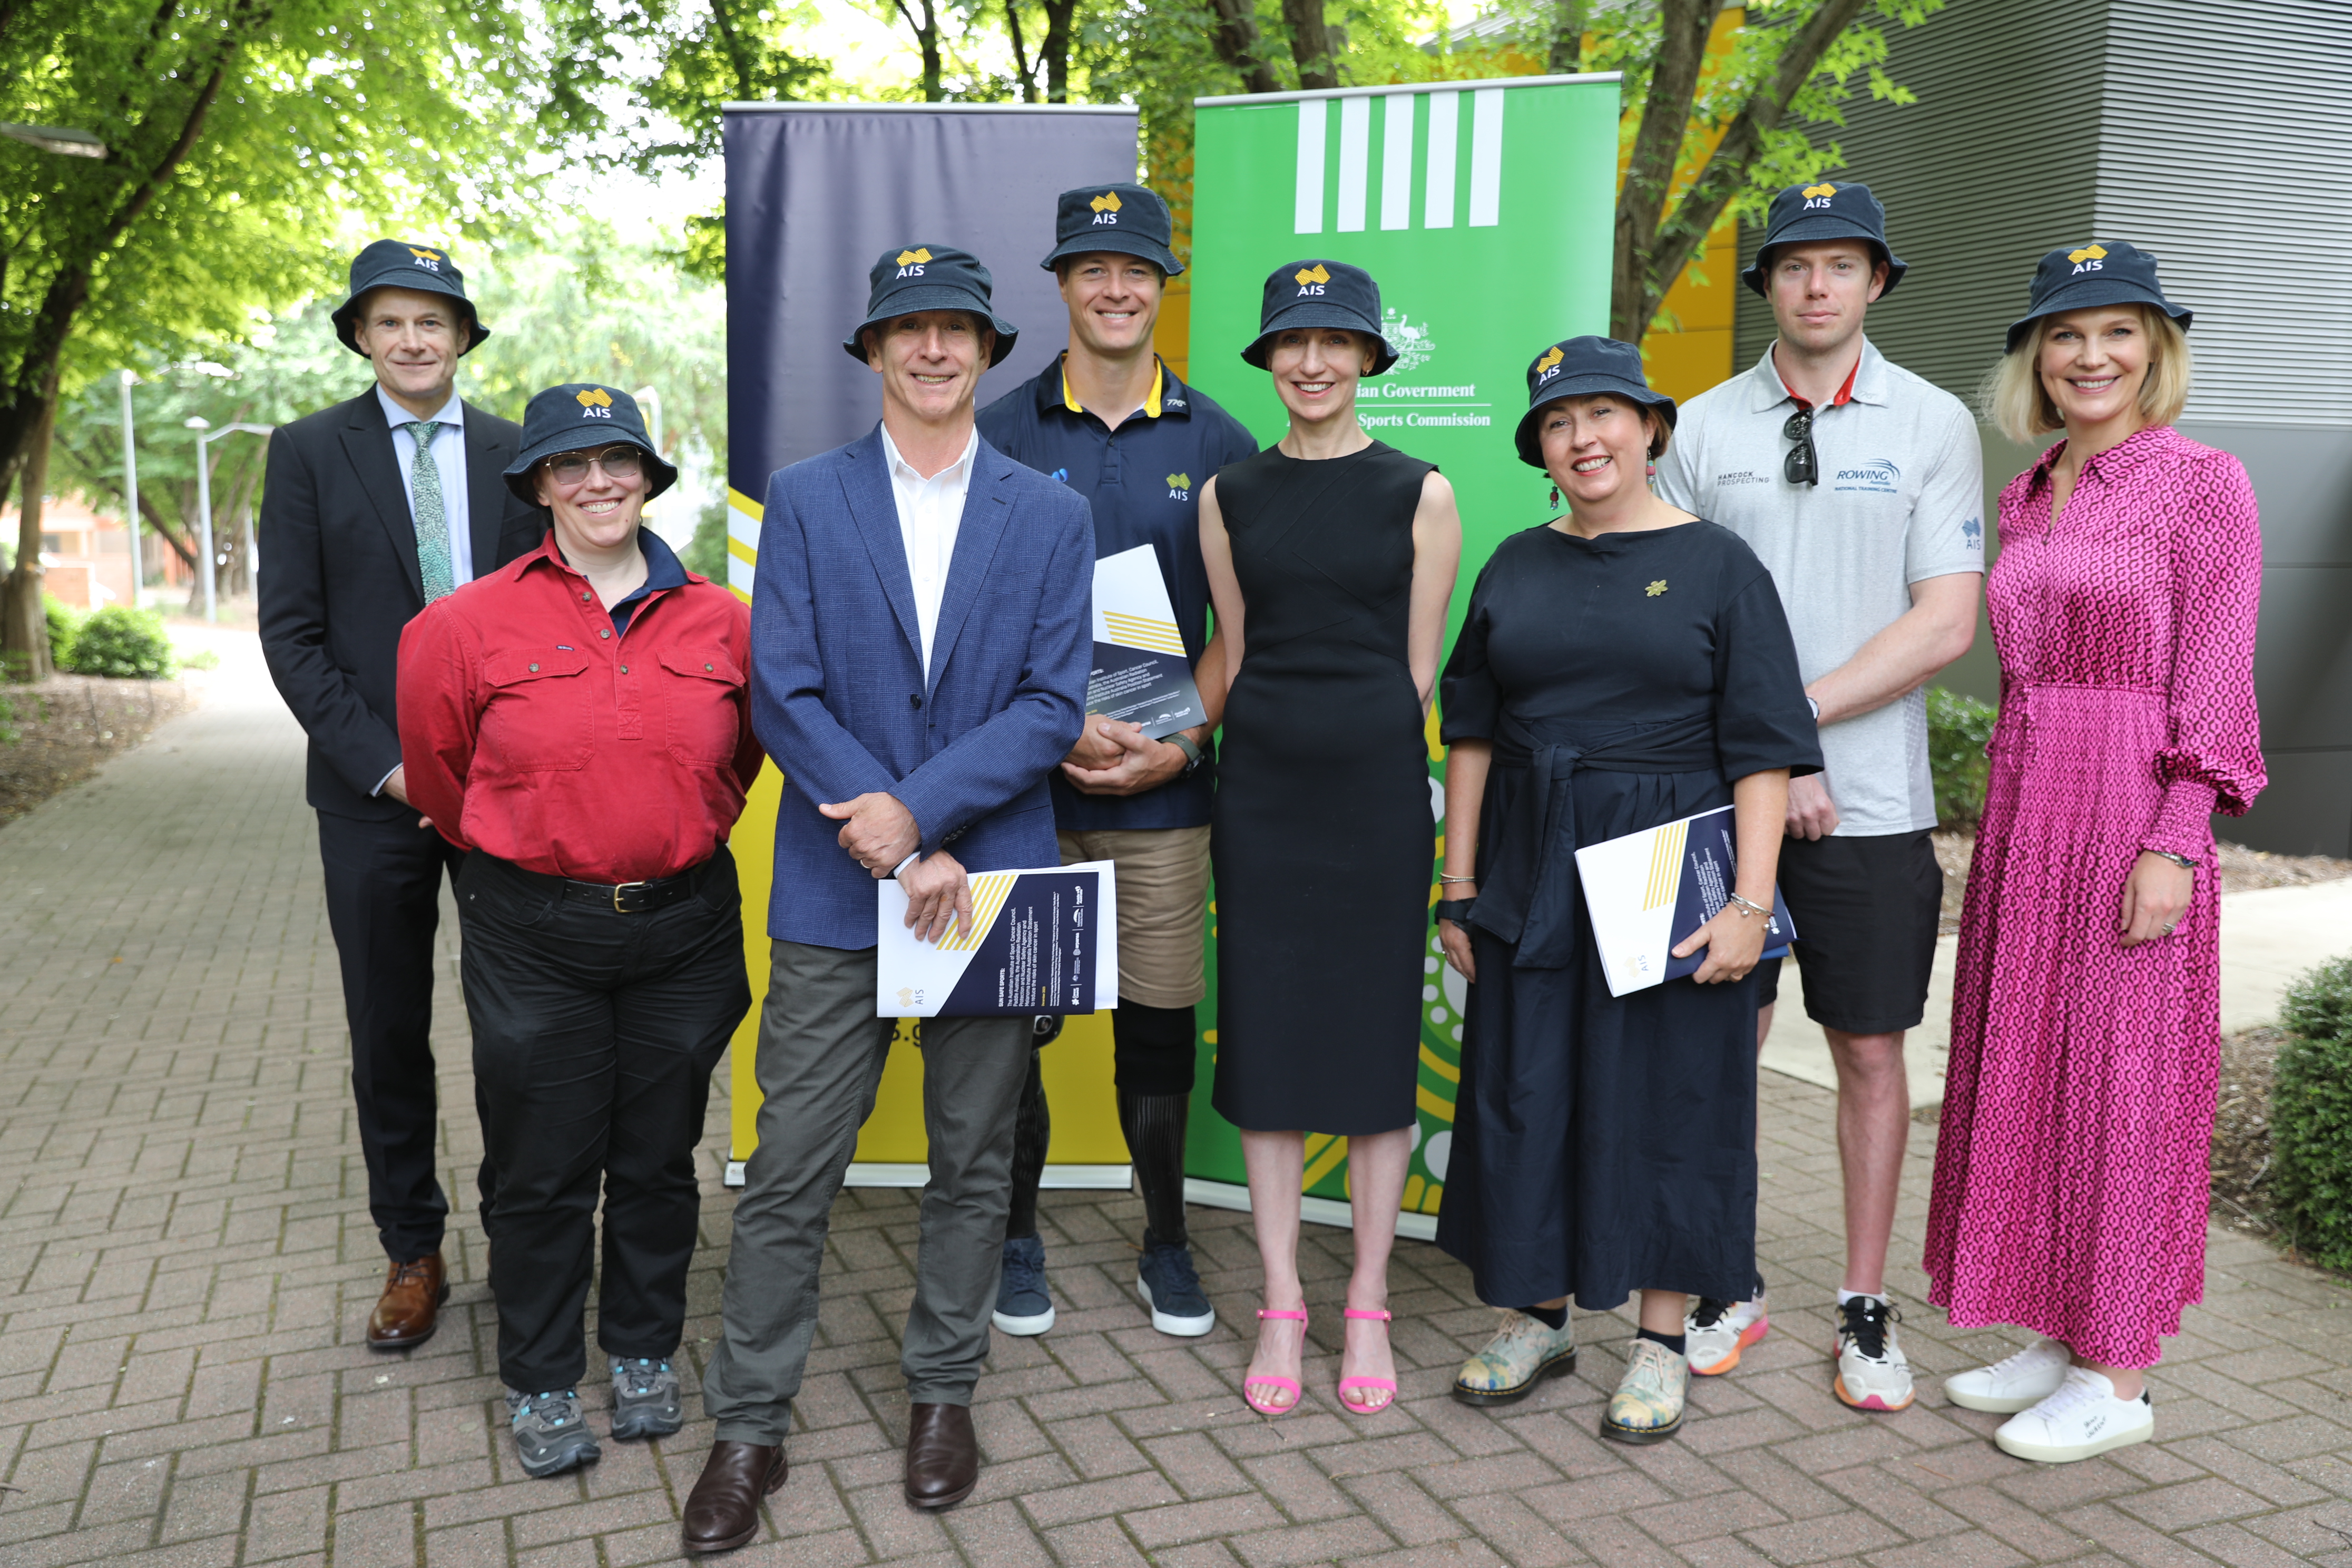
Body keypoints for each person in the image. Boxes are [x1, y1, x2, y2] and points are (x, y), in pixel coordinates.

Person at [683, 243, 1093, 1552]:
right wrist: (894, 833)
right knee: (790, 1166)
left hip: (991, 876)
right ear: (872, 352)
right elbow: (781, 690)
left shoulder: (1050, 512)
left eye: (955, 331)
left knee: (975, 1161)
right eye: (907, 330)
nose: (932, 350)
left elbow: (1052, 703)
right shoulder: (803, 500)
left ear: (986, 354)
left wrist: (925, 817)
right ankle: (750, 1425)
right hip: (832, 882)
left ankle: (943, 1393)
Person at [1433, 337, 1820, 1443]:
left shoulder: (1720, 566)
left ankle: (1658, 1342)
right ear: (1541, 449)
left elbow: (1761, 752)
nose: (1585, 439)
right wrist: (1459, 884)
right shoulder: (1512, 561)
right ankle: (1540, 1317)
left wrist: (1750, 903)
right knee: (1526, 1091)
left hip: (1671, 867)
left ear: (1651, 428)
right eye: (1560, 423)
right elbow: (1471, 730)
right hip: (1532, 860)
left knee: (1673, 1102)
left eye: (1605, 415)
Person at [1925, 242, 2261, 1463]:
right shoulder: (2029, 493)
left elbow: (2218, 673)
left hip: (2132, 809)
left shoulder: (2203, 483)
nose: (2090, 356)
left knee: (2122, 1088)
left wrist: (2177, 837)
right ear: (2035, 360)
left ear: (2156, 351)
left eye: (2118, 333)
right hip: (2032, 809)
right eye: (2065, 336)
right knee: (2031, 1068)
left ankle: (2119, 1378)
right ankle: (2060, 1336)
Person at [1653, 181, 1983, 1412]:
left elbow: (1945, 619)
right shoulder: (1695, 426)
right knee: (1711, 1042)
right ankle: (1721, 1276)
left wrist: (1792, 736)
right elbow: (1672, 612)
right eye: (1795, 265)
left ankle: (1861, 1302)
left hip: (1873, 804)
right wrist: (1769, 763)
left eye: (1842, 265)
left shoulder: (1935, 422)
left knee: (1869, 1052)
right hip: (1722, 799)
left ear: (1877, 284)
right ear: (1769, 286)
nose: (1816, 286)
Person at [395, 384, 759, 1478]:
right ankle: (542, 1373)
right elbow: (438, 776)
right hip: (532, 931)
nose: (599, 482)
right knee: (544, 1167)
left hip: (685, 927)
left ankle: (644, 1349)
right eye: (572, 465)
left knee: (657, 1160)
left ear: (650, 477)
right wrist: (543, 849)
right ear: (538, 485)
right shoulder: (459, 626)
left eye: (620, 461)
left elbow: (736, 763)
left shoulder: (725, 621)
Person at [974, 182, 1259, 1341]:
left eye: (1136, 268)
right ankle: (1015, 1236)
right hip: (1019, 797)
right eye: (1092, 268)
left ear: (1161, 286)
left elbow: (1242, 632)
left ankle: (1164, 1239)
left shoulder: (1224, 440)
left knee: (1154, 1027)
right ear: (1061, 284)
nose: (1115, 287)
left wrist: (1180, 741)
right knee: (1013, 1023)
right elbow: (968, 620)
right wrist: (1050, 732)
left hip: (1164, 789)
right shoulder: (996, 429)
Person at [259, 240, 548, 1350]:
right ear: (362, 337)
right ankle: (411, 1247)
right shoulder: (306, 454)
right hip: (368, 793)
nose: (415, 339)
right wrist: (393, 765)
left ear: (465, 335)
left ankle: (523, 1230)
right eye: (391, 322)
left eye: (435, 320)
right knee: (388, 1026)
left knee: (522, 1023)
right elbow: (291, 636)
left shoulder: (524, 454)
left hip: (505, 793)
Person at [1200, 258, 1462, 1417]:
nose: (1312, 361)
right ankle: (1278, 1303)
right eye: (1292, 342)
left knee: (1368, 1051)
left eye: (1335, 342)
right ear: (1268, 359)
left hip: (1372, 801)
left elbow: (1417, 672)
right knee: (1265, 1046)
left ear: (1367, 358)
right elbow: (1239, 653)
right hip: (1257, 795)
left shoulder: (1423, 491)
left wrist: (1362, 749)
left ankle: (1364, 1302)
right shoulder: (1230, 496)